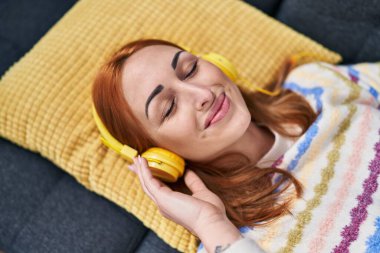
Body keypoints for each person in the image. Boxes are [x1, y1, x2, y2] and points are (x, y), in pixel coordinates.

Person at [91, 39, 380, 253]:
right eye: (168, 107)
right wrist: (209, 223)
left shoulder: (316, 83)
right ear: (159, 155)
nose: (202, 94)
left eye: (190, 69)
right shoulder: (229, 238)